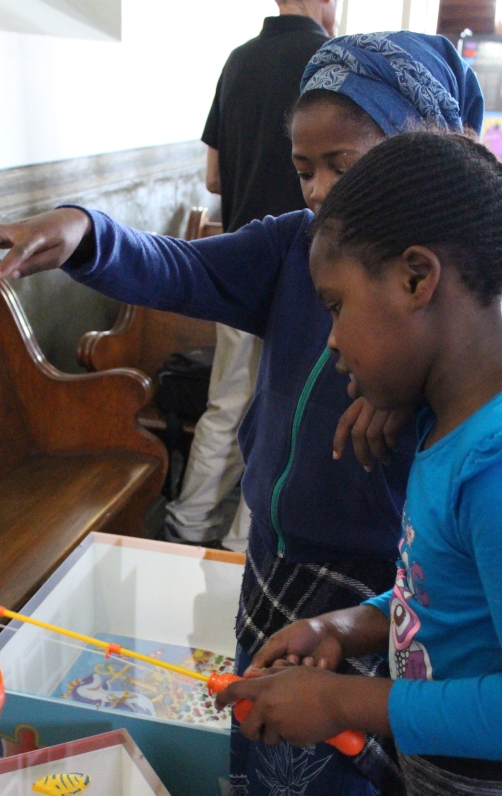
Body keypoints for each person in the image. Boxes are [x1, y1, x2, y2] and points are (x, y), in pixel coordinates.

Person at [0, 33, 502, 796]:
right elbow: (174, 266)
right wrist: (83, 229)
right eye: (303, 167)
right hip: (356, 615)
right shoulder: (301, 250)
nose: (318, 189)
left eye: (344, 164)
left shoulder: (496, 454)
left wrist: (410, 406)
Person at [217, 129, 502, 796]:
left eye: (333, 305)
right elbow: (446, 594)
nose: (328, 341)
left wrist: (342, 705)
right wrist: (345, 628)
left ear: (415, 278)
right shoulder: (451, 428)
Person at [164, 0, 336, 552]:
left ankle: (187, 528)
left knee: (226, 403)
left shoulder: (237, 62)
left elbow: (213, 178)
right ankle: (244, 547)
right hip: (309, 273)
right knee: (284, 413)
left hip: (239, 264)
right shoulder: (332, 62)